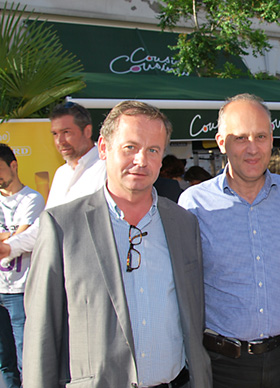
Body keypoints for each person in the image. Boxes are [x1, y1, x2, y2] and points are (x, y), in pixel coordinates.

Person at [22, 101, 211, 388]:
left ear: (162, 158)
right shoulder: (61, 226)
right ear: (103, 148)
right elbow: (42, 333)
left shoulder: (184, 225)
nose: (141, 160)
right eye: (130, 147)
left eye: (152, 150)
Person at [178, 93, 280, 388]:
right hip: (223, 367)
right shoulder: (194, 204)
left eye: (260, 136)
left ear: (272, 139)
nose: (252, 148)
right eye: (240, 138)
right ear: (221, 142)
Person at [0, 101, 107, 262]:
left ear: (87, 131)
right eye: (55, 134)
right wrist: (9, 248)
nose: (60, 141)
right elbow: (47, 224)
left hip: (96, 266)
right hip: (63, 270)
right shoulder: (61, 174)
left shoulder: (106, 168)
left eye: (66, 132)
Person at [0, 144, 44, 388]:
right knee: (4, 362)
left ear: (13, 165)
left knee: (25, 359)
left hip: (20, 291)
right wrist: (11, 235)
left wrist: (11, 237)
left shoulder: (32, 199)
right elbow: (15, 236)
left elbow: (22, 236)